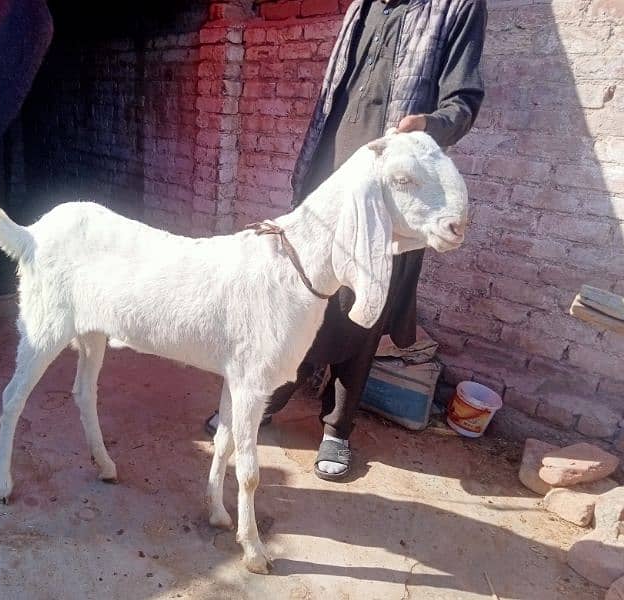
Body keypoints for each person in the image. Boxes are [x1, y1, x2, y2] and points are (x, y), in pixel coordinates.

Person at [206, 0, 487, 481]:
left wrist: (429, 127)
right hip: (329, 186)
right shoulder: (363, 6)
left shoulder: (455, 7)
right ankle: (269, 401)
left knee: (366, 314)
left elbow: (464, 101)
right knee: (298, 303)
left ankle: (336, 429)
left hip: (391, 200)